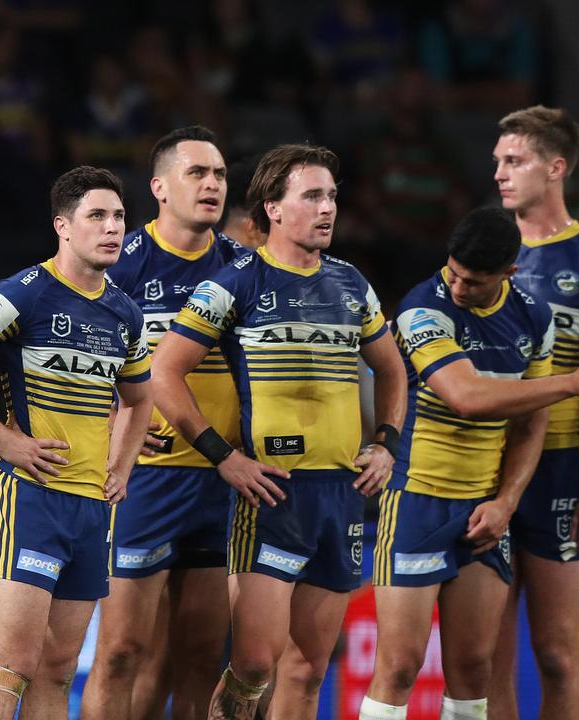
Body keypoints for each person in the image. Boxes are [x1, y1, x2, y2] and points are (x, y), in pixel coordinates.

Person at [150, 144, 407, 720]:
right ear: (274, 207)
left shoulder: (350, 283)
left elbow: (393, 369)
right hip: (272, 494)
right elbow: (164, 370)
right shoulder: (234, 282)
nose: (327, 208)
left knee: (309, 669)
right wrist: (221, 456)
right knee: (255, 666)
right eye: (312, 196)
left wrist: (387, 444)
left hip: (341, 496)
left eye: (332, 196)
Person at [359, 207, 579, 720]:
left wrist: (506, 501)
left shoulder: (532, 317)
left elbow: (530, 423)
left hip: (483, 509)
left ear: (509, 273)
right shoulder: (421, 308)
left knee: (476, 666)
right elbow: (466, 397)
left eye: (473, 281)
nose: (457, 287)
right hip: (417, 500)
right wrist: (574, 381)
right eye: (452, 272)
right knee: (400, 665)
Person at [0, 165, 153, 720]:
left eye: (118, 216)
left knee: (58, 669)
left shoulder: (124, 312)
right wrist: (4, 439)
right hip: (30, 499)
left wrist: (122, 465)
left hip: (92, 510)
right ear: (63, 226)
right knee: (10, 667)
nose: (112, 227)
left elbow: (140, 399)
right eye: (97, 216)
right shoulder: (21, 293)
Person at [83, 125, 241, 720]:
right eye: (196, 173)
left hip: (221, 484)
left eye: (220, 175)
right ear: (159, 188)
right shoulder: (120, 264)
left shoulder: (243, 268)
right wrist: (107, 426)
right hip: (143, 483)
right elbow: (67, 353)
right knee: (123, 652)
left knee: (200, 655)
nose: (212, 185)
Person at [489, 106, 579, 720]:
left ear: (556, 167)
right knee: (485, 655)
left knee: (558, 653)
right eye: (497, 162)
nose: (500, 174)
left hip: (562, 471)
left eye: (514, 161)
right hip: (480, 467)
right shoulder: (484, 253)